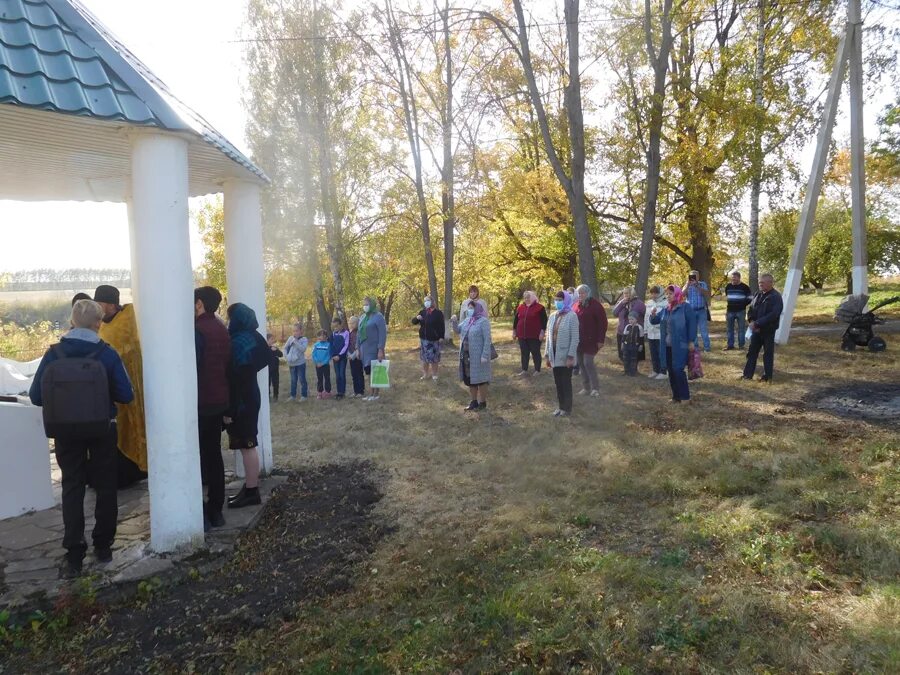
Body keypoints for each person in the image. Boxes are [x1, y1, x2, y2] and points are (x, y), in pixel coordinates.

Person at [29, 299, 134, 577]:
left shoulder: (54, 354)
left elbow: (35, 396)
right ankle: (103, 545)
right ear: (98, 323)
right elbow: (126, 395)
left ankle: (74, 551)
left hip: (65, 431)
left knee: (72, 486)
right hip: (102, 429)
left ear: (73, 321)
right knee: (105, 485)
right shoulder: (107, 354)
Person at [94, 284, 147, 488]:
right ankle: (121, 476)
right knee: (117, 433)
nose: (97, 307)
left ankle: (135, 471)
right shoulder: (101, 325)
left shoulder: (131, 317)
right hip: (111, 388)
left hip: (134, 384)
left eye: (99, 303)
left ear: (109, 304)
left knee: (133, 428)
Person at [224, 303, 268, 509]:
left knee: (247, 444)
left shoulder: (238, 341)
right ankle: (250, 488)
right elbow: (266, 359)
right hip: (251, 394)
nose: (228, 322)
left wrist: (230, 409)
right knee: (247, 443)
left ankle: (252, 491)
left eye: (230, 318)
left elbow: (236, 378)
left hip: (242, 400)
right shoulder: (255, 337)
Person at [193, 286, 230, 531]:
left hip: (201, 401)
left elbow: (193, 367)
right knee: (214, 455)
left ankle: (199, 510)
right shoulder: (221, 329)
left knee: (197, 457)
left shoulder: (197, 331)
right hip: (218, 400)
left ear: (199, 304)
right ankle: (216, 509)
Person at [649, 285, 697, 403]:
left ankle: (685, 397)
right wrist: (653, 314)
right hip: (667, 346)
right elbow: (655, 321)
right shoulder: (666, 309)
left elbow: (692, 325)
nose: (668, 296)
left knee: (678, 370)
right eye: (667, 294)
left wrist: (691, 340)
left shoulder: (686, 307)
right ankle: (676, 397)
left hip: (681, 345)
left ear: (677, 294)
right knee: (670, 371)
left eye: (670, 294)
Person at [742, 273, 784, 383]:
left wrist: (758, 323)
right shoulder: (757, 294)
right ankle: (747, 375)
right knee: (752, 352)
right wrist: (751, 321)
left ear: (770, 283)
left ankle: (767, 377)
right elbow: (751, 309)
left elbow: (774, 314)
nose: (760, 284)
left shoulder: (776, 297)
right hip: (755, 330)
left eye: (762, 282)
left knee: (768, 354)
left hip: (768, 330)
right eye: (759, 282)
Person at [545, 290, 580, 417]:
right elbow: (548, 337)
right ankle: (560, 407)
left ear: (565, 300)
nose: (557, 302)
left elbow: (575, 338)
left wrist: (571, 356)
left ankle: (567, 408)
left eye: (560, 300)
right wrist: (547, 355)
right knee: (558, 383)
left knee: (565, 382)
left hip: (565, 355)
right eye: (556, 300)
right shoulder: (553, 315)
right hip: (554, 354)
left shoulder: (572, 316)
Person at [453, 299, 492, 411]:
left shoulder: (483, 321)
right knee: (470, 379)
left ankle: (482, 403)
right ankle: (473, 401)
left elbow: (487, 339)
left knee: (481, 379)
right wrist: (454, 321)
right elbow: (457, 330)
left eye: (472, 308)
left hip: (479, 356)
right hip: (466, 355)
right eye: (469, 308)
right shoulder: (467, 320)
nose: (469, 310)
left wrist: (485, 354)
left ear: (477, 309)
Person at [573, 284, 608, 396]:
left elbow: (603, 324)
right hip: (579, 341)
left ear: (588, 293)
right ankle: (586, 387)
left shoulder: (596, 305)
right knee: (581, 364)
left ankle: (595, 388)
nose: (580, 295)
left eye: (583, 292)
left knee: (588, 363)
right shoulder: (576, 306)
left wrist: (600, 340)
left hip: (592, 340)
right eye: (579, 293)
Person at [358, 297, 387, 401]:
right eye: (364, 304)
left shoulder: (378, 317)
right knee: (368, 371)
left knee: (375, 370)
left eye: (367, 304)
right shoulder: (362, 317)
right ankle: (371, 393)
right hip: (364, 349)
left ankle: (376, 394)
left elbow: (382, 334)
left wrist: (380, 349)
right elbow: (358, 334)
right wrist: (358, 349)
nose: (365, 306)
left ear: (372, 305)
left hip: (374, 348)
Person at [512, 291, 547, 377]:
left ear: (533, 297)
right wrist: (514, 331)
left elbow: (544, 321)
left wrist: (542, 332)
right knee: (524, 352)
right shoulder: (520, 307)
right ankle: (524, 369)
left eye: (528, 297)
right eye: (525, 297)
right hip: (521, 334)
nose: (526, 299)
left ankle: (537, 370)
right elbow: (516, 320)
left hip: (534, 335)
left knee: (535, 352)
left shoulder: (540, 307)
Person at [412, 295, 445, 381]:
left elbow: (442, 326)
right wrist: (416, 318)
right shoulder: (422, 312)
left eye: (428, 300)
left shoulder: (438, 313)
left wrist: (441, 336)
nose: (426, 302)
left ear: (432, 302)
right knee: (424, 358)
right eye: (425, 301)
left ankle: (434, 375)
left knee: (434, 359)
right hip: (424, 340)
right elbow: (414, 322)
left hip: (434, 339)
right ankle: (425, 374)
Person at [612, 287, 646, 361]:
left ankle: (634, 371)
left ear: (632, 293)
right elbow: (614, 313)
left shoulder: (639, 303)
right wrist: (621, 303)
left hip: (634, 333)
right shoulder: (621, 302)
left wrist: (641, 327)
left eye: (627, 293)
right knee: (622, 354)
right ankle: (626, 370)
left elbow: (645, 316)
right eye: (624, 293)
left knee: (634, 355)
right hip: (621, 332)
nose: (625, 295)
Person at [724, 271, 752, 351]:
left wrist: (743, 304)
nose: (733, 279)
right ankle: (730, 345)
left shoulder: (745, 287)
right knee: (729, 329)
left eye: (735, 278)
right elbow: (728, 297)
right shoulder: (728, 286)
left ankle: (741, 346)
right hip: (730, 311)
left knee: (741, 329)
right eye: (732, 278)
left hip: (741, 311)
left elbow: (750, 298)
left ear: (739, 278)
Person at [644, 285, 668, 380]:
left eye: (656, 293)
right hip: (651, 333)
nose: (653, 295)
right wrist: (645, 330)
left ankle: (663, 371)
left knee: (661, 353)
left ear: (661, 293)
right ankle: (655, 370)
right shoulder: (649, 303)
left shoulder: (665, 303)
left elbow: (665, 318)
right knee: (653, 352)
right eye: (652, 293)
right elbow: (646, 318)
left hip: (660, 333)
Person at [684, 270, 711, 352]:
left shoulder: (702, 284)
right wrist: (688, 285)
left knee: (703, 330)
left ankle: (707, 348)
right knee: (693, 330)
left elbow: (706, 293)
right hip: (691, 311)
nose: (693, 278)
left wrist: (697, 285)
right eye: (691, 276)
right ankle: (695, 347)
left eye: (695, 276)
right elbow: (681, 294)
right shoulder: (687, 285)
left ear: (698, 277)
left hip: (701, 310)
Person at [283, 323, 308, 401]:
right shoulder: (290, 338)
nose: (295, 333)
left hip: (300, 364)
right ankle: (292, 396)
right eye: (293, 331)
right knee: (293, 380)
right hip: (291, 364)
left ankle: (304, 396)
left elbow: (303, 349)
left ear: (301, 331)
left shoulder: (304, 339)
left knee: (302, 379)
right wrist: (286, 356)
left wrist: (295, 342)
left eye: (296, 331)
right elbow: (285, 348)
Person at [330, 317, 350, 399]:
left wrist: (340, 355)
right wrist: (333, 355)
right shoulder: (333, 334)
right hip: (335, 358)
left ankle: (342, 392)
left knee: (342, 374)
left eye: (337, 326)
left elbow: (346, 345)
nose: (335, 328)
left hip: (342, 358)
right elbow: (331, 345)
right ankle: (338, 392)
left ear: (341, 325)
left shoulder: (346, 333)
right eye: (334, 327)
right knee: (337, 375)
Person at [347, 316, 365, 398]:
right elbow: (348, 345)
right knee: (353, 374)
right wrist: (349, 355)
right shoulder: (350, 333)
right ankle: (355, 390)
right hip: (350, 356)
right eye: (350, 323)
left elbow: (359, 345)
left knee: (359, 373)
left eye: (353, 323)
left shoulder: (360, 332)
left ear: (358, 323)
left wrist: (354, 355)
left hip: (358, 356)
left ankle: (361, 391)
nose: (351, 324)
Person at [312, 330, 333, 399]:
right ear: (318, 337)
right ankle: (320, 392)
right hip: (318, 365)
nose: (322, 337)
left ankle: (328, 391)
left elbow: (329, 356)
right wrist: (317, 362)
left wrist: (323, 363)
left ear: (327, 337)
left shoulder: (328, 345)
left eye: (324, 335)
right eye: (320, 335)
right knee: (319, 378)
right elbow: (313, 354)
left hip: (325, 365)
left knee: (327, 378)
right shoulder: (316, 345)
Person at [622, 311, 643, 376]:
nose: (630, 321)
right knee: (626, 358)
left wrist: (640, 345)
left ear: (636, 319)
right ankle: (626, 371)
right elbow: (624, 336)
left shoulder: (639, 327)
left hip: (635, 346)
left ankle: (632, 372)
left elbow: (641, 337)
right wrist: (622, 343)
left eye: (632, 319)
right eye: (629, 319)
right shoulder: (627, 327)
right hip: (626, 345)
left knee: (633, 358)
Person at [266, 333, 283, 401]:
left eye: (273, 339)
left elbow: (281, 355)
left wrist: (276, 350)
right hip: (268, 370)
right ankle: (268, 395)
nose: (273, 340)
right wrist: (270, 350)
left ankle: (275, 396)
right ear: (267, 340)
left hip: (275, 369)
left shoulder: (274, 348)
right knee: (267, 383)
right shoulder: (265, 348)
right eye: (271, 339)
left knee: (275, 383)